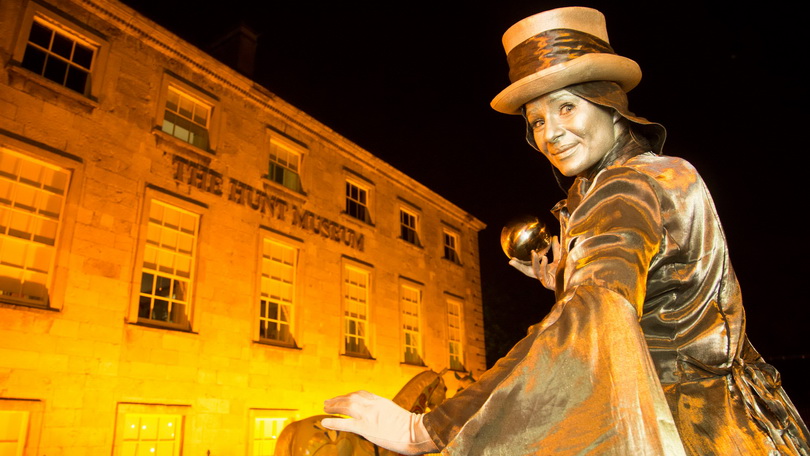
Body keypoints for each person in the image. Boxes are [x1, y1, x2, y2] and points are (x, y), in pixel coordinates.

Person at [321, 6, 810, 455]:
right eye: (536, 120)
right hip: (735, 424)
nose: (549, 132)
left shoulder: (624, 189)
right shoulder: (663, 172)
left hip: (672, 426)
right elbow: (665, 299)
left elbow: (591, 324)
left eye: (567, 107)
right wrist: (566, 279)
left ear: (609, 104)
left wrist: (424, 429)